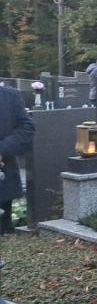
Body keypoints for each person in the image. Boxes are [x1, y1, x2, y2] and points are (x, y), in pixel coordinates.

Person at [0, 84, 35, 233]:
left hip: (3, 178)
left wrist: (2, 149)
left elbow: (27, 128)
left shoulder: (10, 96)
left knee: (3, 231)